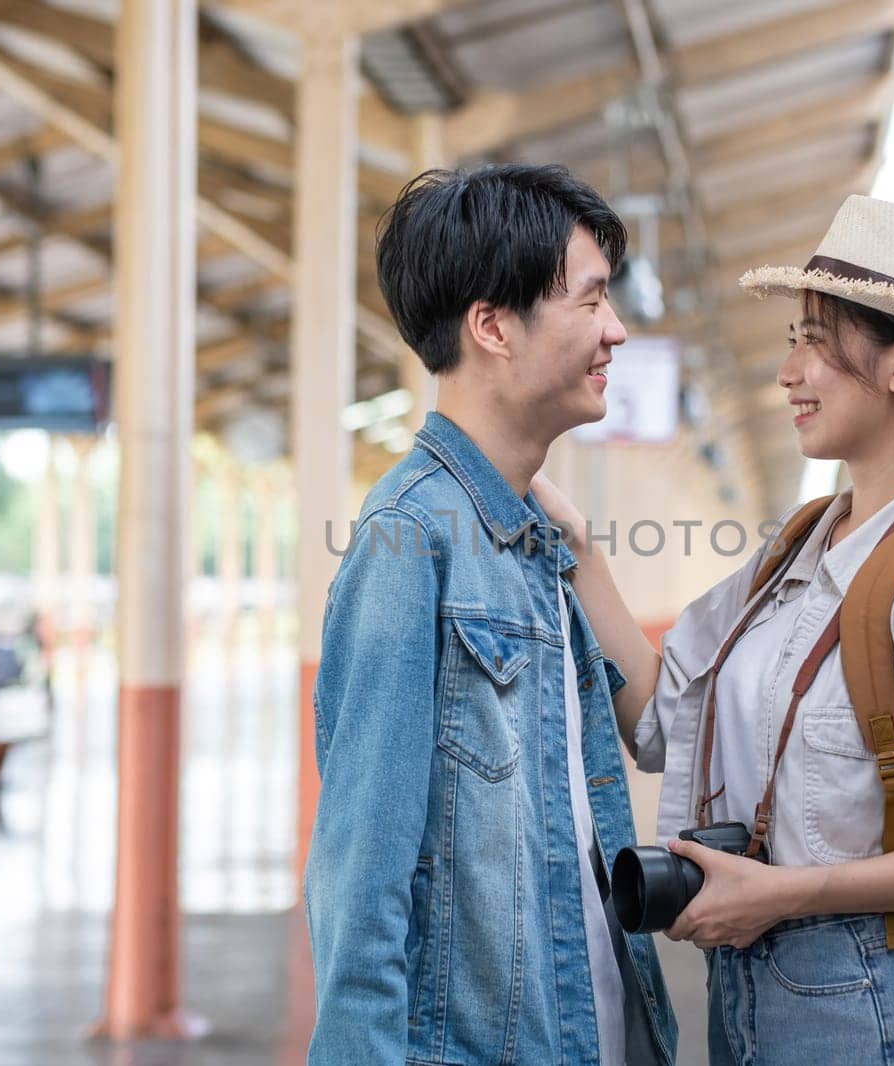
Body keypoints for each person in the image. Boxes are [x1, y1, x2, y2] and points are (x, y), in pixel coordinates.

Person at [534, 195, 894, 1064]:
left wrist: (790, 892)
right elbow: (656, 726)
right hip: (753, 1003)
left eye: (813, 341)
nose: (787, 374)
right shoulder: (794, 555)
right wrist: (575, 547)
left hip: (872, 1007)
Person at [304, 164, 677, 1065]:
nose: (615, 331)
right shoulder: (409, 539)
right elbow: (360, 885)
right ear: (493, 326)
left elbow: (652, 734)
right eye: (590, 301)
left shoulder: (536, 539)